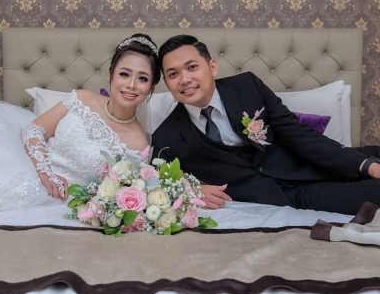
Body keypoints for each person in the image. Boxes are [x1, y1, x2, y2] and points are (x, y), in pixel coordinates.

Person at [152, 34, 380, 215]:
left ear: (212, 67)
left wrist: (365, 164)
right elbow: (153, 184)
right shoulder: (167, 137)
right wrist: (192, 190)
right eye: (173, 74)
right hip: (290, 195)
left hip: (312, 161)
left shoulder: (247, 86)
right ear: (167, 83)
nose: (185, 79)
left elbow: (297, 134)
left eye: (192, 67)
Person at [0, 34, 160, 213]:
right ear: (111, 74)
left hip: (66, 203)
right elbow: (33, 130)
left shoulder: (139, 146)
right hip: (31, 170)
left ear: (151, 87)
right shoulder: (82, 99)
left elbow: (115, 195)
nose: (131, 85)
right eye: (124, 74)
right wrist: (46, 173)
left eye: (142, 78)